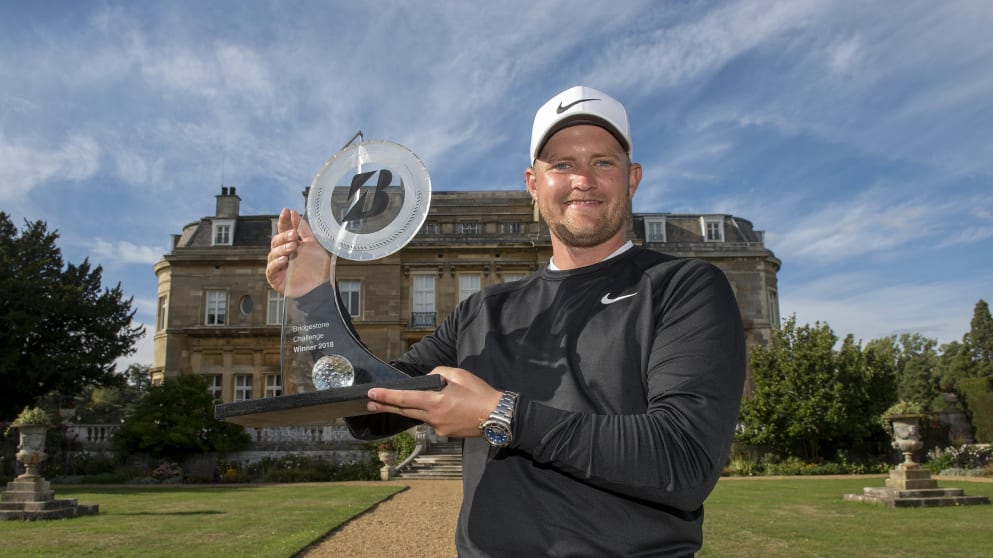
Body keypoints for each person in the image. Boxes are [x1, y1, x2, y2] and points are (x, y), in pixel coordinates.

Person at [266, 85, 746, 557]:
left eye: (603, 162)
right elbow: (371, 407)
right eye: (562, 164)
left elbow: (682, 460)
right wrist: (314, 297)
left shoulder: (682, 286)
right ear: (533, 184)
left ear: (632, 178)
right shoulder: (481, 312)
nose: (583, 179)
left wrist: (501, 415)